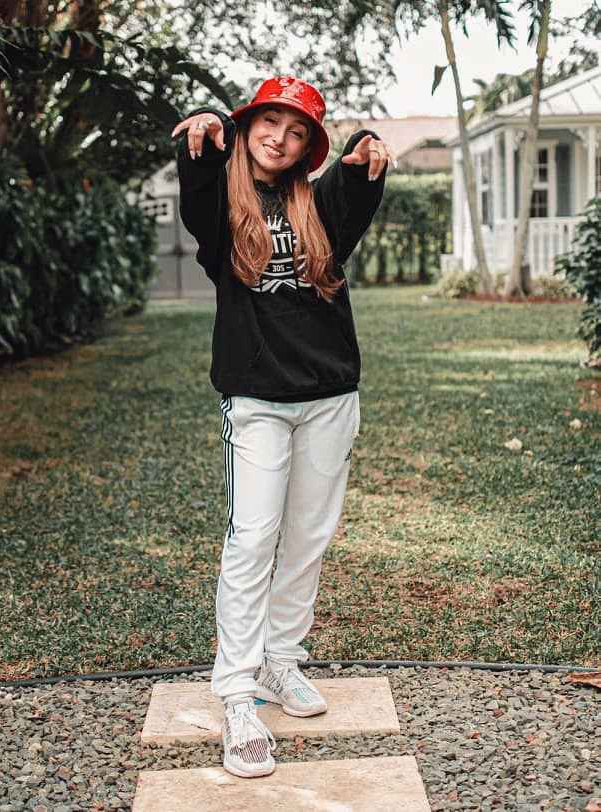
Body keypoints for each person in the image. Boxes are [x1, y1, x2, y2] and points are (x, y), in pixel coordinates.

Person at [171, 76, 393, 779]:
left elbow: (354, 184)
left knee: (308, 536)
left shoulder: (316, 204)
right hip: (257, 397)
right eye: (269, 122)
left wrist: (364, 148)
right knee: (253, 537)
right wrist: (206, 131)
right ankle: (238, 695)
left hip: (329, 395)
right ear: (247, 128)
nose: (280, 138)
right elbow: (198, 183)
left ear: (307, 148)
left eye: (297, 132)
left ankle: (281, 659)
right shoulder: (221, 206)